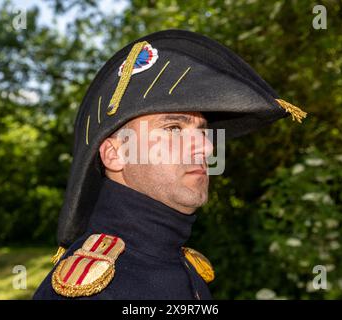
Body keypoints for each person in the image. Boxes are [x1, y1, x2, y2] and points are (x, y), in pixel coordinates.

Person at [33, 29, 306, 300]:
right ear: (115, 154)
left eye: (203, 131)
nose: (207, 147)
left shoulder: (179, 263)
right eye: (174, 128)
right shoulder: (93, 291)